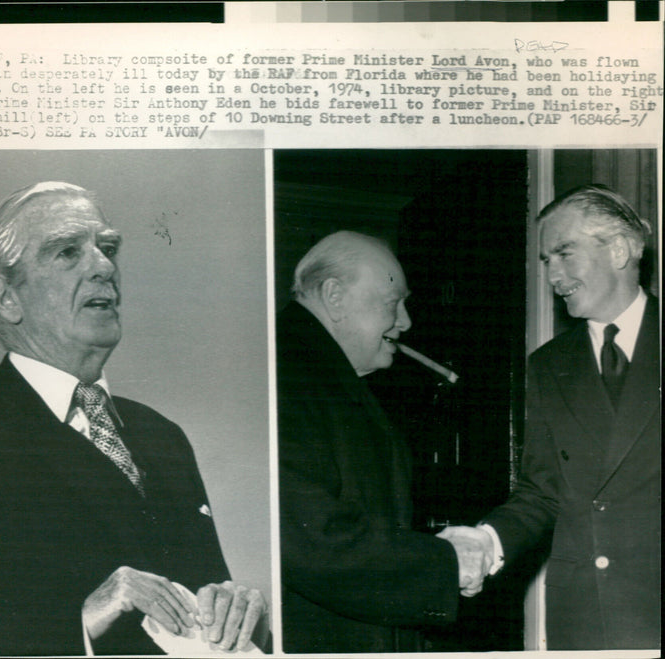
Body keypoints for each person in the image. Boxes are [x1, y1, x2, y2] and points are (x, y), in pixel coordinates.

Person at [0, 182, 267, 656]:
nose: (106, 267)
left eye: (107, 248)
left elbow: (204, 602)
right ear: (7, 297)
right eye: (68, 252)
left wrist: (238, 613)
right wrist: (84, 619)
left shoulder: (161, 435)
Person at [439, 185, 660, 650]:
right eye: (545, 261)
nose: (552, 274)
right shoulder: (548, 364)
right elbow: (542, 491)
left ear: (618, 249)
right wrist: (486, 541)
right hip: (584, 619)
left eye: (564, 253)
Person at [277, 231, 487, 653]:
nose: (406, 321)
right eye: (393, 304)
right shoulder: (284, 376)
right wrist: (445, 564)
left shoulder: (323, 374)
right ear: (334, 296)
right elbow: (312, 540)